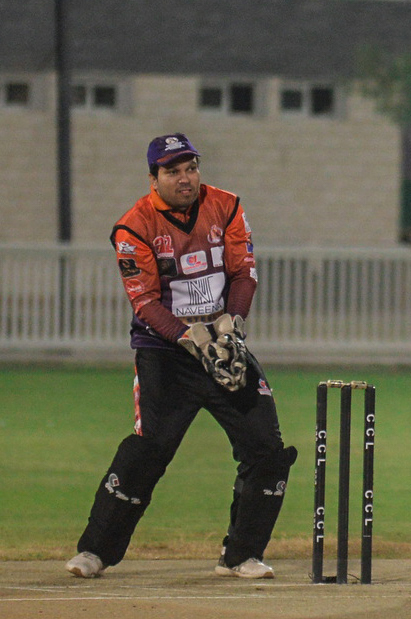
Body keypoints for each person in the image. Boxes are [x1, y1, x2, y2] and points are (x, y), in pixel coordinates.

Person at [66, 134, 297, 580]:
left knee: (267, 449)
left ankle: (241, 555)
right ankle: (95, 551)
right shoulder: (134, 226)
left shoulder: (226, 206)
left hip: (222, 347)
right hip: (165, 354)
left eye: (191, 168)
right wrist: (189, 337)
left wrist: (232, 323)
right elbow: (145, 302)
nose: (185, 178)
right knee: (149, 450)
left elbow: (243, 271)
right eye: (172, 171)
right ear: (153, 178)